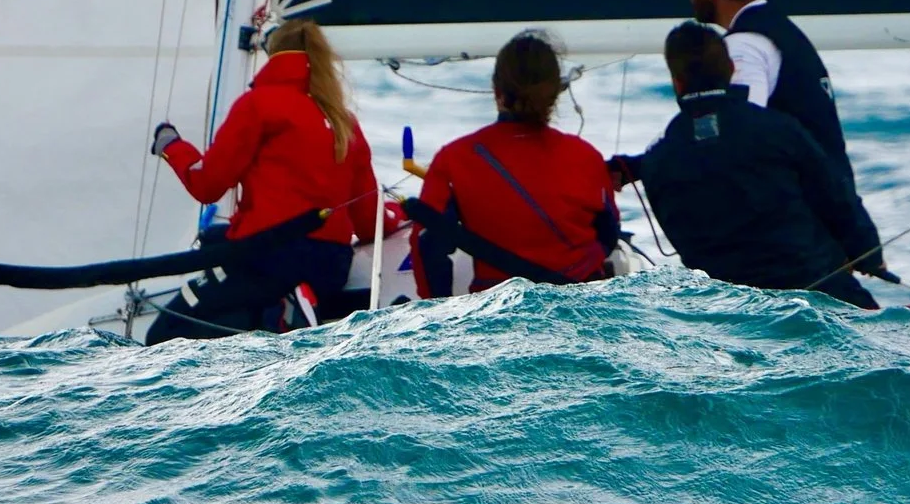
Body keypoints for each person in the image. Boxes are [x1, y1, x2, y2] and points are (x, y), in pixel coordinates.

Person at [611, 23, 879, 309]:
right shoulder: (780, 131)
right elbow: (835, 196)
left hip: (726, 310)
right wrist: (869, 253)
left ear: (677, 82)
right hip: (818, 293)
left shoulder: (657, 162)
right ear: (730, 70)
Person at [147, 18, 378, 342]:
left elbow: (207, 185)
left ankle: (282, 310)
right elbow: (369, 223)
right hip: (332, 265)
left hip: (266, 259)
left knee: (163, 333)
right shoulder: (345, 121)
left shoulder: (258, 106)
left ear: (274, 54)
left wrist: (172, 146)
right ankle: (291, 304)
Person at [683, 0, 891, 279]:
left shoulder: (746, 46)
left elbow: (737, 135)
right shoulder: (782, 31)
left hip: (803, 234)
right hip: (832, 219)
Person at [409, 31, 620, 296]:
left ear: (496, 90)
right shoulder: (586, 157)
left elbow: (428, 245)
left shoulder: (455, 159)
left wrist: (438, 314)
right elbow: (608, 234)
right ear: (555, 94)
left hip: (499, 314)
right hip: (579, 309)